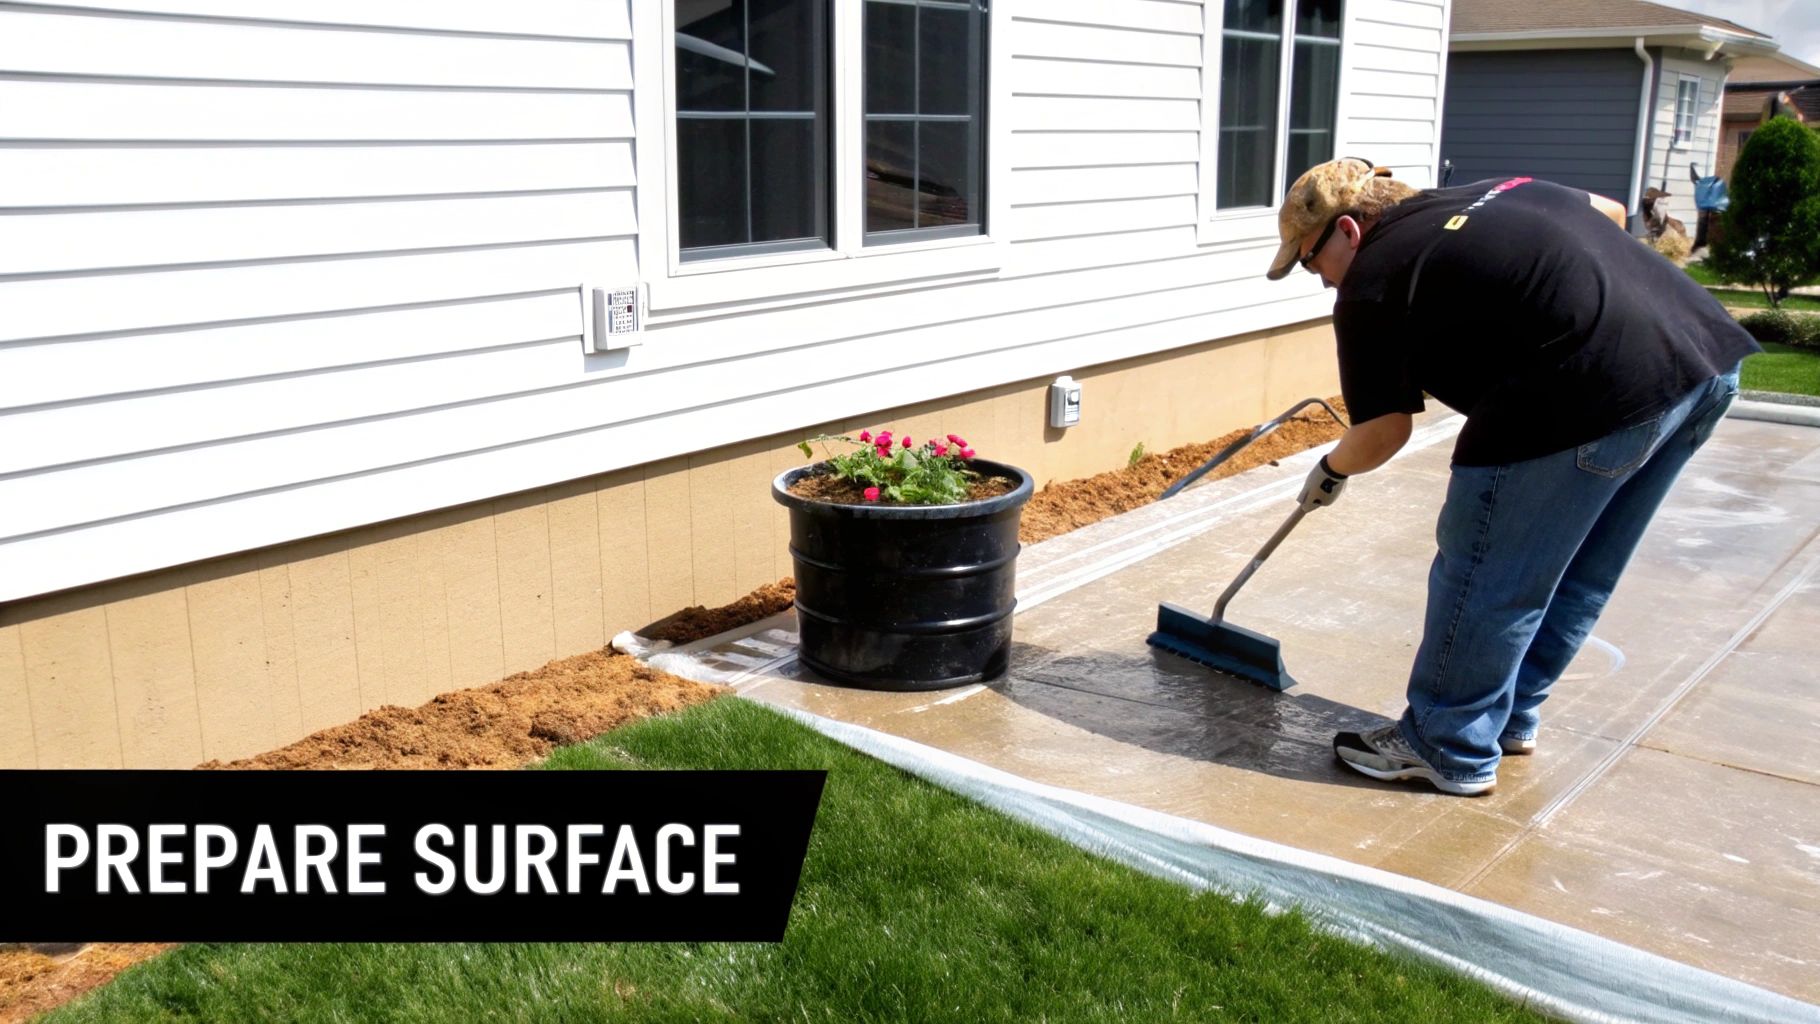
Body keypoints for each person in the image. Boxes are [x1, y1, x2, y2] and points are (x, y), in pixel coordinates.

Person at [1270, 157, 1759, 796]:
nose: (1322, 282)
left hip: (1584, 390)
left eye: (1310, 262)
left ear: (1348, 232)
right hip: (1701, 363)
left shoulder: (1373, 280)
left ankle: (1446, 744)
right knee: (1578, 567)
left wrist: (1330, 469)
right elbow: (1609, 211)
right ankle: (1509, 718)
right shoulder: (1502, 188)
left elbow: (1383, 432)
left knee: (1485, 571)